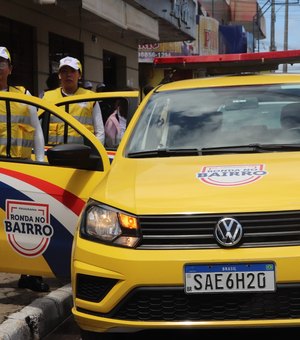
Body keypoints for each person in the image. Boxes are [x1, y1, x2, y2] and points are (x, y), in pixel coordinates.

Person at [0, 46, 48, 292]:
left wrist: (40, 163)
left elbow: (36, 129)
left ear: (10, 68)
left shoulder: (23, 94)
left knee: (26, 222)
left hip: (21, 170)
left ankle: (30, 274)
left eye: (1, 63)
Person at [43, 56, 105, 145]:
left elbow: (100, 131)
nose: (68, 75)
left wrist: (95, 153)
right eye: (64, 71)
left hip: (82, 154)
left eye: (72, 71)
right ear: (59, 75)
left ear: (79, 75)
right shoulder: (48, 97)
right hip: (54, 154)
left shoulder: (90, 97)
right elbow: (39, 129)